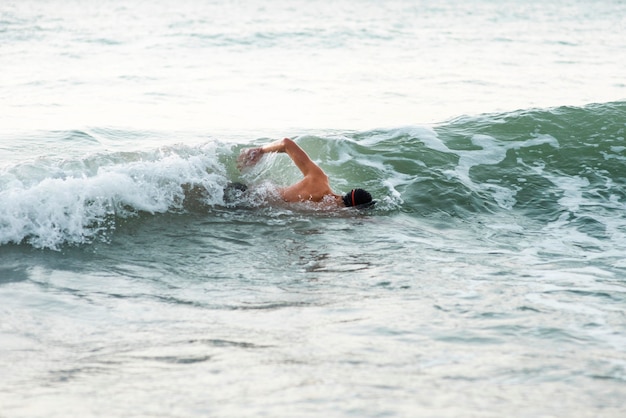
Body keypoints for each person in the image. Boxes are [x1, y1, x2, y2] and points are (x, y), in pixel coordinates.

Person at [237, 138, 374, 209]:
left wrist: (261, 150)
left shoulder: (320, 180)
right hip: (244, 198)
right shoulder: (320, 187)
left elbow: (286, 143)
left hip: (250, 200)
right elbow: (286, 143)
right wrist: (260, 150)